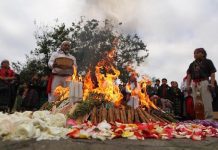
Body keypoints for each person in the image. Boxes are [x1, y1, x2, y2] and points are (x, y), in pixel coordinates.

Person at [187, 48, 216, 120]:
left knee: (206, 101)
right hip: (194, 83)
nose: (195, 54)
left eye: (197, 53)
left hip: (204, 82)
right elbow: (189, 75)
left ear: (202, 54)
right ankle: (198, 119)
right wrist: (188, 85)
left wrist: (212, 84)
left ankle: (209, 119)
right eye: (194, 53)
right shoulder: (192, 64)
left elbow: (212, 73)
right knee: (196, 102)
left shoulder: (208, 61)